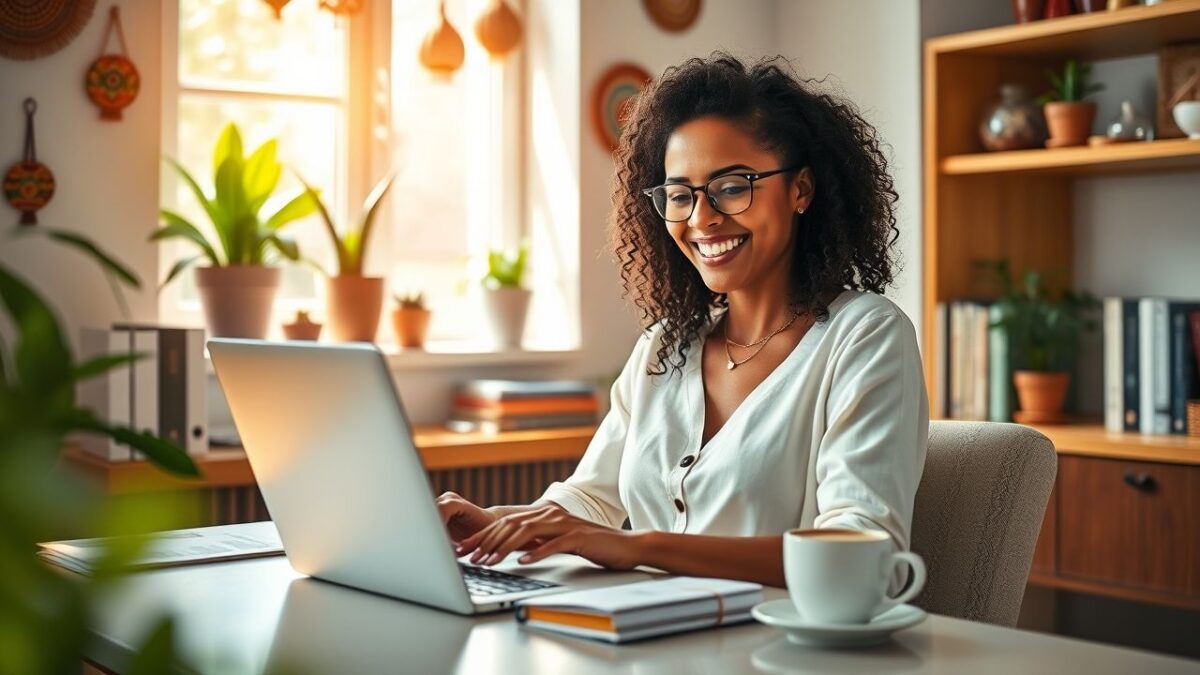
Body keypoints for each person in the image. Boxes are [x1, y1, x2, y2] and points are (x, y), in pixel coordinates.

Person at [438, 53, 928, 588]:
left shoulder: (866, 337)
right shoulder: (663, 347)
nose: (701, 218)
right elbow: (589, 501)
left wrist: (639, 546)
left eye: (733, 186)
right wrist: (497, 524)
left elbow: (862, 555)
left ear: (801, 190)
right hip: (650, 641)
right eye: (679, 195)